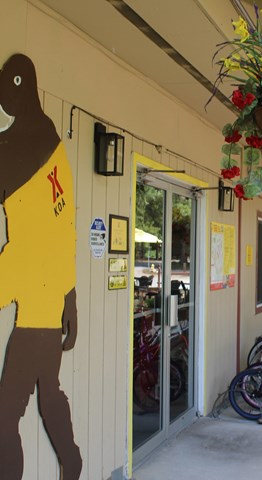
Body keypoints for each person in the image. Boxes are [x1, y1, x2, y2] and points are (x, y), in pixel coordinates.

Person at [0, 54, 81, 480]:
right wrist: (70, 298)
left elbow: (35, 241)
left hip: (32, 299)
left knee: (5, 417)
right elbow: (65, 227)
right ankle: (72, 460)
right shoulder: (53, 141)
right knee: (49, 391)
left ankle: (71, 461)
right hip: (49, 303)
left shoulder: (12, 148)